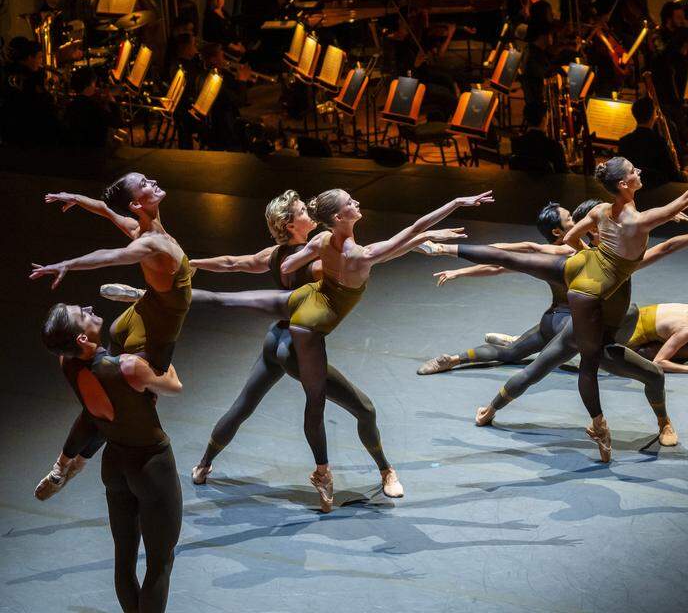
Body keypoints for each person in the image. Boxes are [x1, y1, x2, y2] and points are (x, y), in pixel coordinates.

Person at [145, 189, 488, 510]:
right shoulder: (322, 257)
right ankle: (353, 471)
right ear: (291, 224)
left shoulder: (280, 252)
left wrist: (193, 264)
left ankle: (204, 465)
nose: (309, 212)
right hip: (299, 344)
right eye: (301, 212)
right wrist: (419, 238)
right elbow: (368, 256)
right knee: (357, 408)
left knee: (244, 404)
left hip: (275, 338)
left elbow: (235, 263)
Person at [416, 156, 688, 462]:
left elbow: (565, 243)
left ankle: (441, 250)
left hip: (579, 271)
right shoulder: (638, 224)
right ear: (623, 184)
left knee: (523, 314)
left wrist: (593, 253)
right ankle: (599, 425)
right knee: (591, 365)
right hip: (589, 299)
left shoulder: (600, 212)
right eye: (634, 171)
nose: (639, 172)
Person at [41, 303, 183, 613]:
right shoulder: (128, 367)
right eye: (83, 314)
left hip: (115, 463)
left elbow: (93, 414)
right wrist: (157, 351)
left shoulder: (66, 362)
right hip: (152, 467)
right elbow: (174, 384)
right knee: (160, 563)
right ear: (80, 338)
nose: (90, 309)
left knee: (124, 559)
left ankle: (64, 466)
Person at [31, 174, 192, 375]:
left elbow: (105, 209)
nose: (153, 182)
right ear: (135, 204)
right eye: (145, 184)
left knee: (108, 377)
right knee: (144, 394)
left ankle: (94, 378)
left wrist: (76, 198)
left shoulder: (140, 229)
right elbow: (109, 256)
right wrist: (67, 264)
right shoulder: (150, 243)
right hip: (156, 332)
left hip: (136, 315)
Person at [617, 97, 683, 186]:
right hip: (653, 191)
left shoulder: (624, 141)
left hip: (630, 189)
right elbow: (670, 172)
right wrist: (682, 175)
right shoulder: (658, 141)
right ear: (653, 115)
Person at [63, 67, 114, 148]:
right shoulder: (93, 107)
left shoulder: (72, 104)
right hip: (94, 153)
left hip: (78, 150)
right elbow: (116, 122)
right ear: (88, 85)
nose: (95, 87)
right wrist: (112, 101)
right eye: (94, 83)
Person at [510, 102, 568, 174]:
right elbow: (563, 176)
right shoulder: (554, 147)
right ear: (544, 119)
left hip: (523, 184)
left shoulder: (516, 143)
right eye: (547, 117)